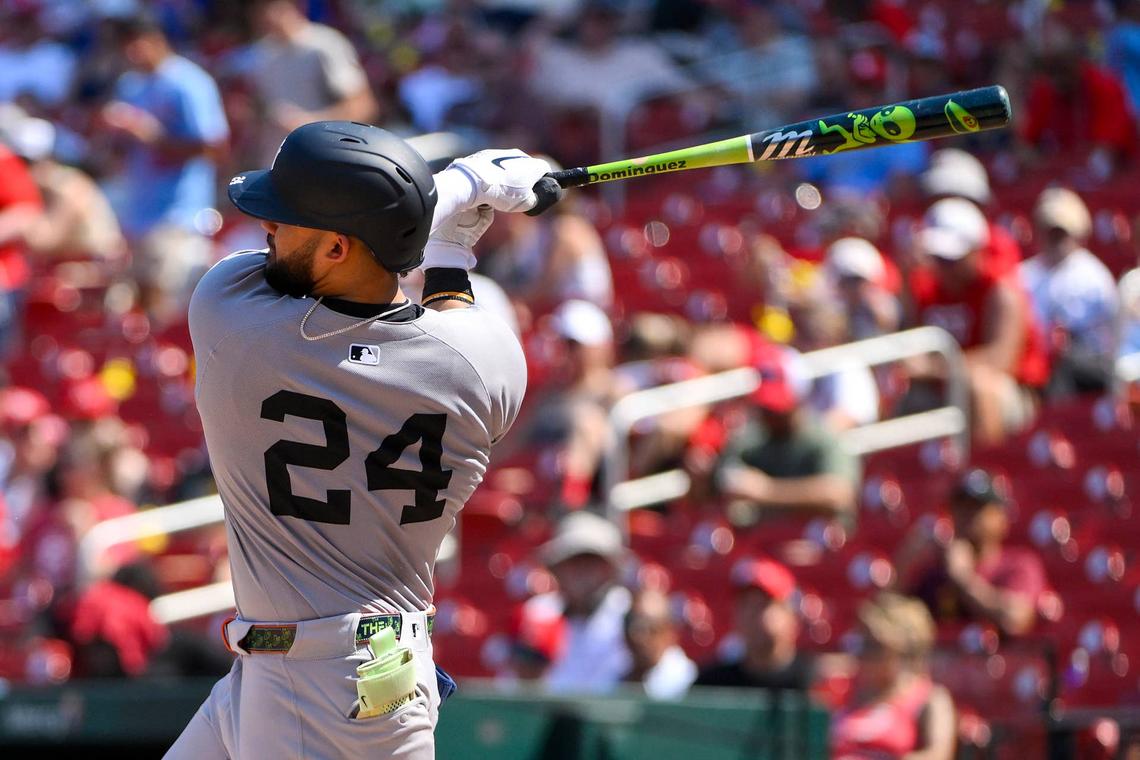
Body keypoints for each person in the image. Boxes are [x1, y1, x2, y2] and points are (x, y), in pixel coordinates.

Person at [165, 120, 550, 758]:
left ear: (339, 248)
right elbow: (453, 325)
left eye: (284, 220)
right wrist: (451, 246)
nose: (267, 230)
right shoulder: (488, 368)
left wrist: (459, 188)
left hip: (324, 682)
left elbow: (423, 301)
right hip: (339, 670)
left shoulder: (231, 316)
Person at [100, 13, 229, 324]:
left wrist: (151, 136)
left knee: (172, 310)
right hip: (139, 212)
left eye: (137, 44)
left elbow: (214, 146)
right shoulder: (130, 85)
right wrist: (115, 134)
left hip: (180, 213)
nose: (132, 53)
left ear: (157, 41)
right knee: (140, 310)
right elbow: (122, 150)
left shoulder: (188, 82)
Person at [907, 199, 1049, 445]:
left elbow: (1000, 361)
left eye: (951, 259)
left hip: (1014, 394)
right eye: (938, 258)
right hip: (947, 387)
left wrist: (934, 369)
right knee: (909, 398)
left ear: (976, 251)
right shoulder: (926, 291)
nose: (944, 268)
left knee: (980, 386)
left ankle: (986, 472)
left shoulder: (1000, 291)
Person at [694, 342, 860, 526]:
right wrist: (702, 481)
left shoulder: (821, 437)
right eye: (765, 407)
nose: (770, 414)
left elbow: (838, 494)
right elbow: (717, 487)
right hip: (763, 542)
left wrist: (767, 491)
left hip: (813, 542)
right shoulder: (750, 440)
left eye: (776, 409)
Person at [895, 469, 1048, 638]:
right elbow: (891, 621)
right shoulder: (936, 571)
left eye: (976, 508)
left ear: (1001, 518)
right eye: (960, 507)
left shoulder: (1019, 564)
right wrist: (903, 564)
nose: (965, 516)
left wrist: (964, 579)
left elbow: (1014, 619)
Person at [247, 0, 378, 165]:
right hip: (279, 166)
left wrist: (308, 123)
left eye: (273, 7)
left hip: (325, 160)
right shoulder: (261, 55)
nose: (266, 15)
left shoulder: (325, 45)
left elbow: (362, 106)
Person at [830, 593, 956, 760]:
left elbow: (938, 755)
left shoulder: (930, 698)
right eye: (861, 643)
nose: (863, 653)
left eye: (874, 646)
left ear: (902, 652)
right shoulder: (845, 691)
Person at [1020, 187, 1118, 396]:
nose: (1055, 240)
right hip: (1035, 359)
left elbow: (1102, 339)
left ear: (1077, 233)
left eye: (1060, 233)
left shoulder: (1093, 276)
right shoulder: (1023, 274)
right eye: (1050, 232)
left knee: (1063, 365)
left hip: (1088, 362)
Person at [534, 510, 632, 694]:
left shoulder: (630, 614)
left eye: (592, 561)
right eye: (573, 561)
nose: (582, 571)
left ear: (609, 569)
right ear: (557, 568)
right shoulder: (538, 613)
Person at [695, 556, 814, 692]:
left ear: (791, 615)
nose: (752, 615)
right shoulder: (713, 684)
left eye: (763, 605)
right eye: (746, 605)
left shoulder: (814, 682)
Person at [622, 587, 697, 700]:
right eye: (629, 624)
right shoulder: (615, 673)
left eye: (648, 626)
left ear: (670, 632)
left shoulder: (688, 682)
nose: (637, 636)